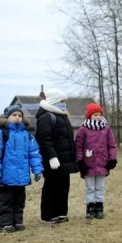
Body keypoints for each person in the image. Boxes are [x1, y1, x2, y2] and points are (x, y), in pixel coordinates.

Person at [0, 105, 43, 232]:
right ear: (7, 117)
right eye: (14, 115)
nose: (17, 118)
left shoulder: (27, 135)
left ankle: (18, 222)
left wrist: (37, 169)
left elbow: (34, 153)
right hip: (4, 176)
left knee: (19, 201)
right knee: (5, 201)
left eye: (20, 115)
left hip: (21, 176)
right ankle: (5, 224)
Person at [36, 89, 77, 224]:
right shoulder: (46, 117)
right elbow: (44, 139)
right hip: (52, 160)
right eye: (61, 101)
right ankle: (48, 215)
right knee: (51, 186)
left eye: (64, 101)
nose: (64, 104)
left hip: (64, 160)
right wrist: (52, 156)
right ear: (54, 100)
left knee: (63, 186)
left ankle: (61, 212)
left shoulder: (62, 116)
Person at [75, 103, 118, 220]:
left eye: (99, 115)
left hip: (102, 163)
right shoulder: (83, 130)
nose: (98, 117)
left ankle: (99, 206)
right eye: (95, 115)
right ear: (89, 116)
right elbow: (79, 146)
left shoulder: (107, 129)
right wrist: (80, 161)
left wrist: (112, 159)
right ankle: (90, 207)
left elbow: (112, 145)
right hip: (88, 164)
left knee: (100, 186)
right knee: (90, 187)